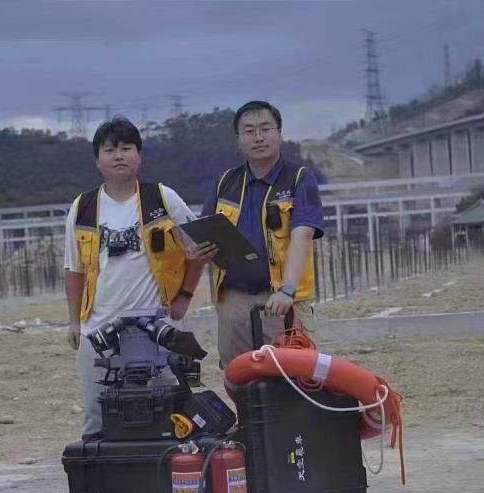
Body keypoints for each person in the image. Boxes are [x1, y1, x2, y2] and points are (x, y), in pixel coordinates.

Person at [63, 117, 203, 439]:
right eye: (110, 150)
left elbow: (198, 250)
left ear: (139, 155)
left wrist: (184, 297)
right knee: (98, 419)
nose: (119, 156)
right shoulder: (82, 207)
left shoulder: (162, 199)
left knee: (170, 412)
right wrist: (74, 321)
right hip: (98, 330)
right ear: (97, 160)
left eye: (127, 148)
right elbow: (74, 269)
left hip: (156, 329)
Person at [194, 100, 324, 368]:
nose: (258, 137)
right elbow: (205, 230)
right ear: (238, 140)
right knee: (239, 377)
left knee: (293, 377)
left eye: (266, 128)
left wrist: (287, 290)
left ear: (279, 133)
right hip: (234, 298)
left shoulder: (299, 179)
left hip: (283, 298)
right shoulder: (225, 183)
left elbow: (303, 234)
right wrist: (197, 251)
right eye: (249, 131)